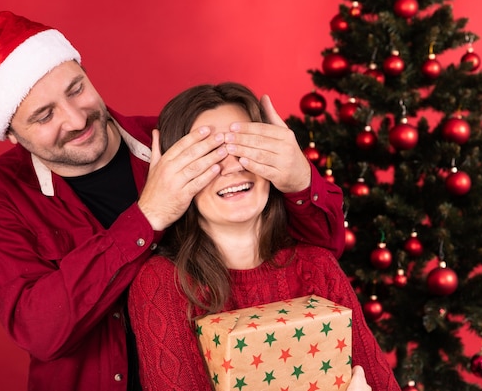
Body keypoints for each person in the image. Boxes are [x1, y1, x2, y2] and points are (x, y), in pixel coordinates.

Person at [0, 12, 346, 391]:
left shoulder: (174, 139)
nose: (76, 118)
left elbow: (317, 251)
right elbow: (39, 330)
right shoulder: (1, 194)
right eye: (44, 116)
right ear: (12, 134)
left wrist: (299, 180)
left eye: (76, 89)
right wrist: (148, 216)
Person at [128, 82, 400, 391]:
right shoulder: (163, 284)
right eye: (208, 155)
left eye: (245, 148)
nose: (231, 167)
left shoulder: (317, 266)